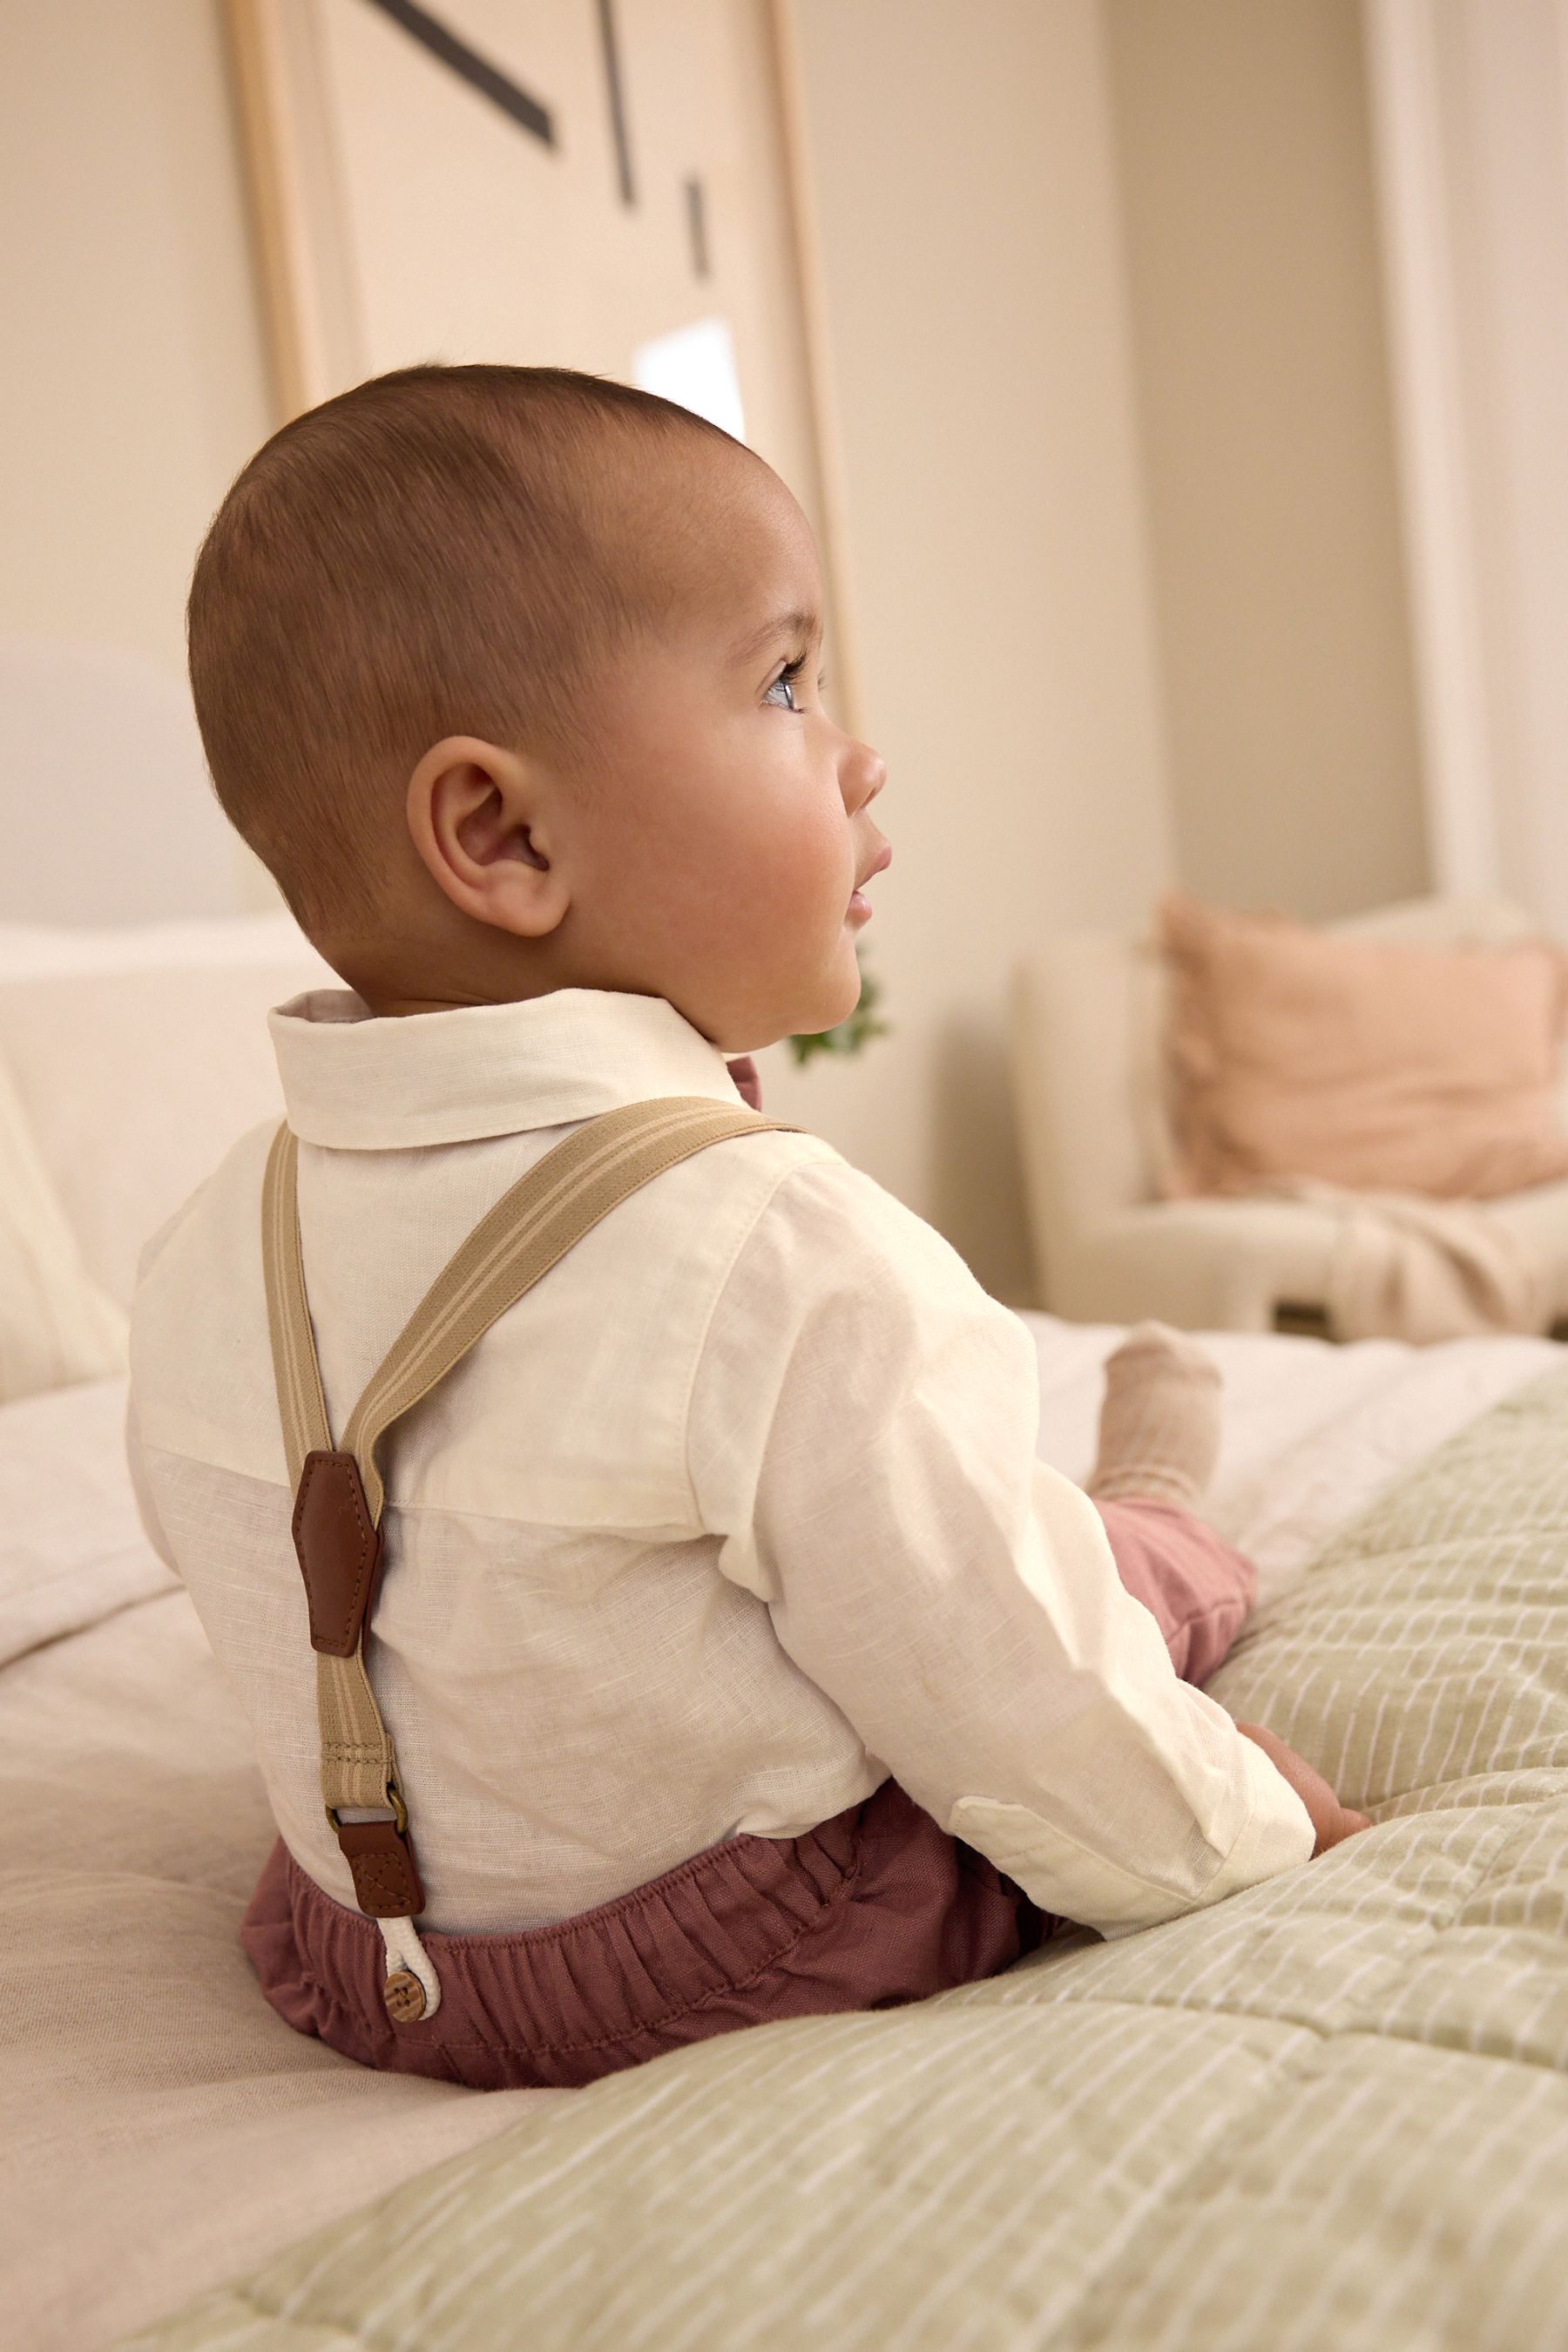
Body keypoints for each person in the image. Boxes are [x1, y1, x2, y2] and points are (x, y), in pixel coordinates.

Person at [127, 365, 1367, 2093]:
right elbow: (1012, 1694)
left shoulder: (204, 1245)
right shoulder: (776, 1250)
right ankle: (1159, 1509)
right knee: (1071, 1573)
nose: (862, 751)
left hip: (360, 1955)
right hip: (738, 1948)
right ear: (501, 832)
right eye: (784, 681)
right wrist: (1247, 1829)